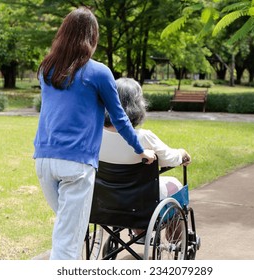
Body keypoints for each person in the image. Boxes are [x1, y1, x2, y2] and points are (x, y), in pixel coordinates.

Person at [33, 7, 155, 260]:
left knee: (66, 230)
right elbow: (120, 117)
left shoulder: (46, 68)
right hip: (75, 165)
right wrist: (140, 149)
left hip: (44, 161)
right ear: (92, 37)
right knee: (69, 238)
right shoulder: (99, 72)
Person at [99, 77, 192, 201]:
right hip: (140, 200)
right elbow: (169, 159)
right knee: (176, 184)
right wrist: (182, 153)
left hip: (105, 198)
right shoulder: (143, 137)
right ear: (137, 105)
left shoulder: (95, 135)